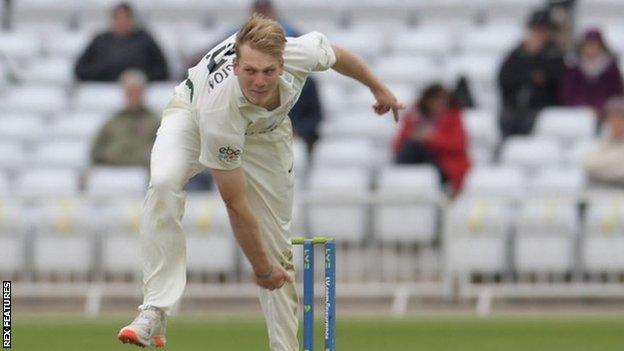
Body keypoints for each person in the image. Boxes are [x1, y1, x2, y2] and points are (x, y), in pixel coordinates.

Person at [117, 14, 404, 350]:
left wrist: (379, 88)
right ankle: (154, 311)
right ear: (236, 66)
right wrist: (260, 267)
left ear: (282, 64)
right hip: (194, 118)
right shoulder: (219, 109)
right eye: (250, 71)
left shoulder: (300, 53)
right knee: (164, 182)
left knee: (278, 247)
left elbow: (339, 56)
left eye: (268, 71)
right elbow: (235, 204)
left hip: (266, 134)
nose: (259, 81)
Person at [392, 83, 471, 195]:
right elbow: (398, 146)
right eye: (436, 100)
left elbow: (459, 144)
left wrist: (432, 138)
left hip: (445, 165)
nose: (440, 104)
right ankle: (399, 185)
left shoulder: (453, 117)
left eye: (443, 100)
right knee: (412, 145)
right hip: (419, 160)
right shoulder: (414, 117)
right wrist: (415, 134)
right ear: (427, 101)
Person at [498, 9, 565, 138]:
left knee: (529, 123)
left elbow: (557, 81)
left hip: (542, 106)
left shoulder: (555, 54)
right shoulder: (517, 53)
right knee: (506, 119)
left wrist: (536, 58)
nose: (539, 34)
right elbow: (504, 78)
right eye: (536, 30)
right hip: (514, 106)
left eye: (543, 30)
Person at [75, 2, 169, 82]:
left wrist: (141, 77)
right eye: (118, 18)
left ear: (132, 19)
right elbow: (80, 70)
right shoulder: (100, 40)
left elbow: (163, 70)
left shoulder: (144, 39)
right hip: (104, 91)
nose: (122, 22)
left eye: (126, 18)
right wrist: (104, 71)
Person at [91, 70, 160, 167]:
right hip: (112, 171)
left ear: (143, 93)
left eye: (136, 92)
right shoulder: (113, 121)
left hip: (142, 173)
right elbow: (96, 151)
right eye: (130, 92)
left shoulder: (155, 122)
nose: (133, 96)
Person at [560, 28, 624, 119]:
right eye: (588, 45)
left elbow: (617, 93)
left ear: (601, 47)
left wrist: (602, 108)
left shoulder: (610, 69)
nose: (591, 49)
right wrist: (583, 107)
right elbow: (567, 93)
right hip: (578, 114)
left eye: (594, 45)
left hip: (606, 115)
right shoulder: (574, 69)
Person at [583, 96, 624, 187]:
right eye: (614, 118)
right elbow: (589, 164)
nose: (618, 123)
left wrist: (606, 163)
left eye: (622, 118)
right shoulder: (598, 141)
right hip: (600, 190)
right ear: (607, 121)